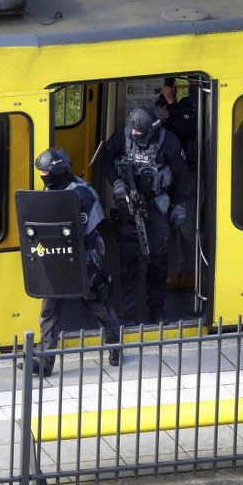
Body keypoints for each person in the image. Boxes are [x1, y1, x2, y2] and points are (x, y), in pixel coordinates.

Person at [21, 147, 123, 377]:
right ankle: (44, 363)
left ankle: (115, 345)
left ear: (56, 171)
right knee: (49, 311)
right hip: (55, 258)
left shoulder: (81, 194)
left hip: (82, 259)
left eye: (46, 172)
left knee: (97, 302)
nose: (43, 176)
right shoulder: (52, 189)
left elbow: (79, 228)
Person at [101, 104, 190, 325]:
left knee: (158, 260)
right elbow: (106, 160)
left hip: (156, 206)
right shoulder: (123, 134)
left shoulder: (168, 141)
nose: (135, 135)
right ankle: (127, 313)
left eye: (140, 133)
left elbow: (182, 174)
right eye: (134, 130)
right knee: (128, 262)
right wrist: (118, 182)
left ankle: (157, 308)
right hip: (129, 205)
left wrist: (179, 205)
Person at [156, 80, 199, 291]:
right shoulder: (186, 104)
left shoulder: (200, 103)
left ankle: (191, 273)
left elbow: (186, 127)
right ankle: (188, 270)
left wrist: (172, 104)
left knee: (186, 224)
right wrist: (168, 113)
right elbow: (174, 128)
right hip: (182, 171)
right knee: (183, 222)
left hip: (194, 171)